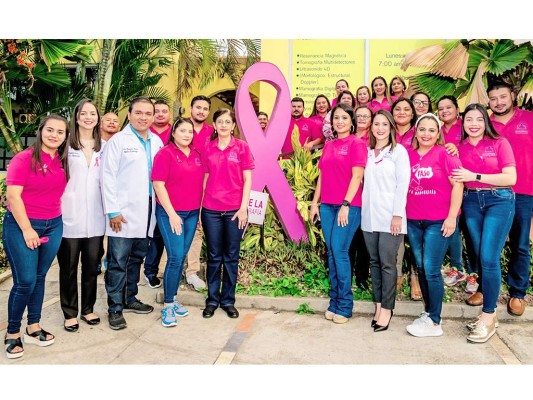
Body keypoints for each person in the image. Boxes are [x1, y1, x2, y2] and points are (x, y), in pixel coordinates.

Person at [3, 114, 69, 359]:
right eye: (50, 130)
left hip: (54, 224)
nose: (54, 135)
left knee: (40, 276)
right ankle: (12, 332)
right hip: (21, 225)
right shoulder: (24, 159)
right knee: (25, 281)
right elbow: (13, 196)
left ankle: (33, 326)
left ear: (65, 137)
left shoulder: (63, 161)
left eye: (60, 132)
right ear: (41, 131)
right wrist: (27, 229)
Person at [452, 103, 516, 343]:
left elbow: (511, 177)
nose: (474, 124)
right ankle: (489, 315)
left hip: (499, 200)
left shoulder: (499, 143)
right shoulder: (459, 148)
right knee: (479, 257)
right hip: (471, 202)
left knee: (489, 258)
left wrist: (475, 176)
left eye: (479, 119)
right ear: (463, 122)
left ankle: (488, 316)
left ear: (486, 121)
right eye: (469, 119)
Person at [100, 97, 163, 330]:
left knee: (137, 257)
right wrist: (113, 211)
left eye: (148, 113)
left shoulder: (156, 141)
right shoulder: (118, 141)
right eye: (139, 113)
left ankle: (130, 297)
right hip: (123, 212)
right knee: (117, 261)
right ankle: (115, 307)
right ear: (129, 114)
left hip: (148, 210)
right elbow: (106, 177)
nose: (143, 117)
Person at [405, 113, 463, 338]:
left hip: (438, 222)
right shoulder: (408, 155)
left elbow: (458, 186)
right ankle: (429, 313)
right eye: (422, 129)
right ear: (416, 132)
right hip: (413, 221)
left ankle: (435, 322)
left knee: (430, 269)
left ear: (438, 133)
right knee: (420, 267)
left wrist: (451, 218)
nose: (426, 134)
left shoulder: (445, 154)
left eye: (431, 130)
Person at [310, 103, 367, 324]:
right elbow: (322, 177)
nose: (340, 121)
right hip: (327, 206)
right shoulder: (329, 145)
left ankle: (344, 305)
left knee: (340, 252)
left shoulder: (357, 144)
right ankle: (334, 301)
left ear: (351, 121)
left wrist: (346, 203)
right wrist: (315, 203)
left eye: (344, 118)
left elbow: (357, 177)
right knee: (332, 253)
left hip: (348, 207)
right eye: (336, 118)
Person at [201, 108, 254, 319]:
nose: (223, 125)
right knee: (214, 256)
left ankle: (228, 301)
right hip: (211, 210)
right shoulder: (208, 148)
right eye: (220, 121)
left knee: (231, 257)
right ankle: (212, 300)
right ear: (214, 125)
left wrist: (243, 208)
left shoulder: (241, 147)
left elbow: (248, 179)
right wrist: (200, 207)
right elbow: (205, 179)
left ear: (233, 126)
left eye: (227, 122)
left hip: (234, 210)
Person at [57, 99, 105, 333]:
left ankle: (87, 308)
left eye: (92, 113)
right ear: (76, 117)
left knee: (91, 266)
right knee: (68, 267)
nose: (88, 117)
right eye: (83, 113)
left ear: (98, 118)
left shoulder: (104, 146)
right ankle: (69, 312)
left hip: (96, 218)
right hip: (69, 217)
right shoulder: (64, 145)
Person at [152, 118, 204, 327]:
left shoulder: (197, 155)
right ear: (173, 133)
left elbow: (201, 184)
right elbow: (158, 184)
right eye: (182, 130)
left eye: (190, 131)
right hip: (170, 214)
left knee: (181, 256)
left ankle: (173, 300)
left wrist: (199, 212)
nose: (187, 134)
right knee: (174, 257)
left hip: (192, 214)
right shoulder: (165, 154)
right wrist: (172, 214)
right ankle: (167, 306)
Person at [487, 81, 533, 317]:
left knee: (520, 244)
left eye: (503, 97)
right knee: (485, 244)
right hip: (491, 192)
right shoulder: (485, 123)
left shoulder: (529, 119)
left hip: (524, 191)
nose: (498, 102)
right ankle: (486, 290)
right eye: (493, 99)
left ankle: (517, 293)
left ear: (513, 96)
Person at [362, 109, 410, 332]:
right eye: (376, 124)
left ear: (391, 128)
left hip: (392, 217)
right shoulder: (368, 152)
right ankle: (378, 304)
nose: (380, 128)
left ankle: (388, 309)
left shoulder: (398, 152)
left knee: (388, 264)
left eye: (384, 124)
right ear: (371, 128)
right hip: (369, 218)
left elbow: (403, 184)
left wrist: (398, 215)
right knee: (374, 262)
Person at [437, 95, 477, 293]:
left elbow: (472, 147)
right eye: (441, 109)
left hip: (468, 185)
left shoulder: (465, 125)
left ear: (457, 109)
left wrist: (457, 148)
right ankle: (457, 268)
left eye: (448, 107)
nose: (444, 111)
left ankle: (473, 273)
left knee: (470, 232)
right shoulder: (437, 128)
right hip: (446, 187)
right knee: (452, 225)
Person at [391, 97, 421, 300]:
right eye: (398, 109)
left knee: (416, 237)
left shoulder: (419, 132)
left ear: (412, 113)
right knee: (396, 234)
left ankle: (415, 276)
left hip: (417, 191)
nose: (402, 112)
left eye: (406, 109)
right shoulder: (386, 132)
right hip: (392, 192)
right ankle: (396, 274)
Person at [142, 100, 174, 289]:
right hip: (144, 193)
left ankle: (151, 270)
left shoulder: (176, 131)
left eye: (164, 111)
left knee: (160, 235)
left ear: (170, 115)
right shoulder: (145, 132)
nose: (161, 114)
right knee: (143, 235)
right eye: (157, 111)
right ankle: (144, 270)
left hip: (169, 192)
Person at [185, 95, 215, 291]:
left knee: (197, 229)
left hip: (204, 185)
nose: (201, 111)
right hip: (180, 183)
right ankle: (169, 268)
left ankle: (192, 272)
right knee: (175, 228)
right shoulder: (181, 127)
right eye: (198, 108)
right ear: (191, 108)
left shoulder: (212, 132)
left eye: (205, 109)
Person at [349, 105, 373, 289]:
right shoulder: (345, 138)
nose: (362, 119)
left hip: (367, 194)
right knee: (348, 238)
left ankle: (362, 276)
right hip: (346, 193)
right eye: (359, 116)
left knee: (363, 238)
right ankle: (346, 274)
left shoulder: (374, 141)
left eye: (366, 116)